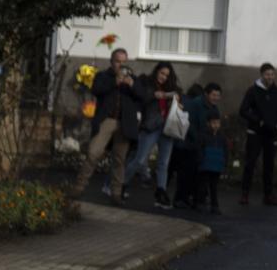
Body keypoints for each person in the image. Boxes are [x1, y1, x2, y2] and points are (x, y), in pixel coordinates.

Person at [79, 61, 144, 203]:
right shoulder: (103, 76)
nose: (121, 65)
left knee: (119, 159)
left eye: (123, 61)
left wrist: (132, 84)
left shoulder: (134, 78)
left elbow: (143, 96)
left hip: (124, 124)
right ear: (112, 62)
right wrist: (114, 82)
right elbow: (96, 90)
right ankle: (79, 187)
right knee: (93, 153)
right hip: (106, 121)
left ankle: (116, 193)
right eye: (118, 61)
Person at [124, 61, 183, 209]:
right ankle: (122, 183)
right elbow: (142, 97)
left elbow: (179, 101)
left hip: (167, 128)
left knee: (163, 163)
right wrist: (156, 95)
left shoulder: (172, 88)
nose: (164, 77)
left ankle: (161, 192)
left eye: (167, 75)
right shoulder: (147, 82)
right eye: (162, 73)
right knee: (139, 160)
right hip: (150, 126)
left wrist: (178, 103)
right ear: (157, 71)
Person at [238, 63, 277, 207]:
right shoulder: (252, 91)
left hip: (271, 133)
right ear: (261, 75)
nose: (269, 77)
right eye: (267, 74)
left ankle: (268, 195)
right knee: (250, 162)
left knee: (269, 164)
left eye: (272, 74)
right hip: (255, 133)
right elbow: (243, 110)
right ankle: (245, 194)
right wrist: (257, 121)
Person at [168, 83, 206, 210]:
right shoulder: (195, 105)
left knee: (171, 170)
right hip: (188, 144)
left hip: (176, 141)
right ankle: (180, 199)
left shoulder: (183, 100)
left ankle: (164, 194)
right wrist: (197, 139)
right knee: (185, 174)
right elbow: (191, 124)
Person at [195, 111, 229, 214]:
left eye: (218, 123)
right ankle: (201, 203)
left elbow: (225, 150)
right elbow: (199, 149)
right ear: (208, 123)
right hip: (205, 164)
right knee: (203, 185)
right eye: (214, 123)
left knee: (214, 186)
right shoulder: (203, 135)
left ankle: (214, 205)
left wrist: (224, 162)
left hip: (216, 165)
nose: (216, 125)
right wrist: (200, 160)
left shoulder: (222, 137)